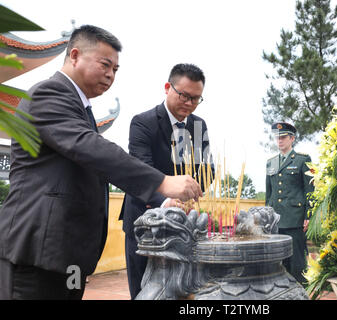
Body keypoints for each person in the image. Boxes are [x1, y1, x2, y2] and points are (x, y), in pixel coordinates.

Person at [0, 25, 202, 300]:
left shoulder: (81, 108)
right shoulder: (47, 94)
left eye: (116, 70)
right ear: (75, 56)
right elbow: (91, 149)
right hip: (37, 252)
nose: (110, 75)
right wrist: (162, 182)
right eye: (105, 64)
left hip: (65, 254)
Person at [119, 63, 213, 299]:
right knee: (145, 290)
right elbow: (141, 170)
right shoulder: (143, 122)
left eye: (196, 99)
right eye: (184, 96)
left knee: (184, 289)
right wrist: (166, 199)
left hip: (184, 222)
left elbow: (208, 168)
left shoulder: (198, 126)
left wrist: (193, 191)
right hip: (145, 217)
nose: (189, 103)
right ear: (167, 88)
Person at [265, 122, 314, 285]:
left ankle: (300, 293)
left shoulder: (303, 160)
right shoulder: (270, 163)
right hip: (276, 221)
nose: (279, 141)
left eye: (283, 137)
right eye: (277, 137)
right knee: (278, 263)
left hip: (295, 219)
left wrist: (309, 215)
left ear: (292, 138)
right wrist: (267, 217)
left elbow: (310, 190)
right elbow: (269, 193)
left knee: (297, 264)